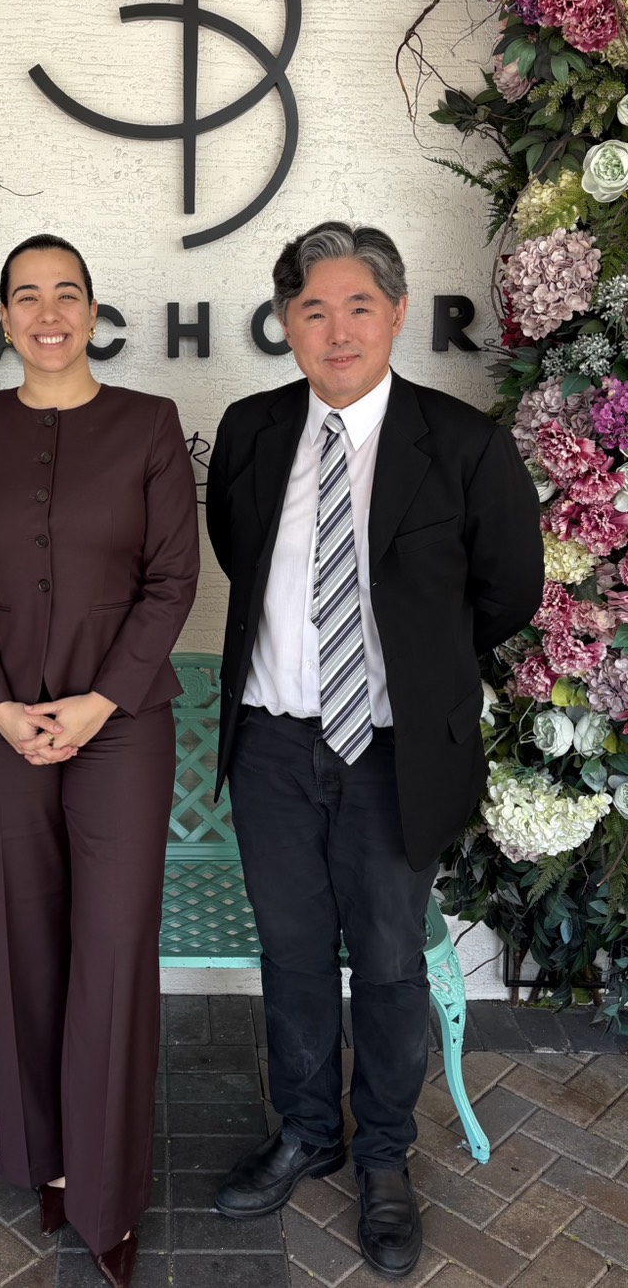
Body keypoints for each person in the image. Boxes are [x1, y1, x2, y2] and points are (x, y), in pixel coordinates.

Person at [206, 221, 543, 1279]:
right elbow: (237, 552)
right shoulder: (253, 430)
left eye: (358, 305)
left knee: (391, 962)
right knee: (292, 951)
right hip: (272, 745)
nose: (337, 328)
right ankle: (309, 1130)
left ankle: (385, 1157)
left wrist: (424, 665)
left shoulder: (465, 442)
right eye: (313, 309)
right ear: (286, 323)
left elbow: (511, 590)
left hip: (394, 753)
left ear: (396, 313)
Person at [0, 234, 199, 1288]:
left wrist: (94, 702)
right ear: (5, 317)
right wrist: (0, 706)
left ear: (93, 311)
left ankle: (107, 1190)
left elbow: (172, 580)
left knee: (114, 946)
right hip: (4, 725)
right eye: (27, 296)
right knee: (26, 936)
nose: (49, 312)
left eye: (68, 293)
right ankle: (47, 1158)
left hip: (121, 724)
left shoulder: (150, 423)